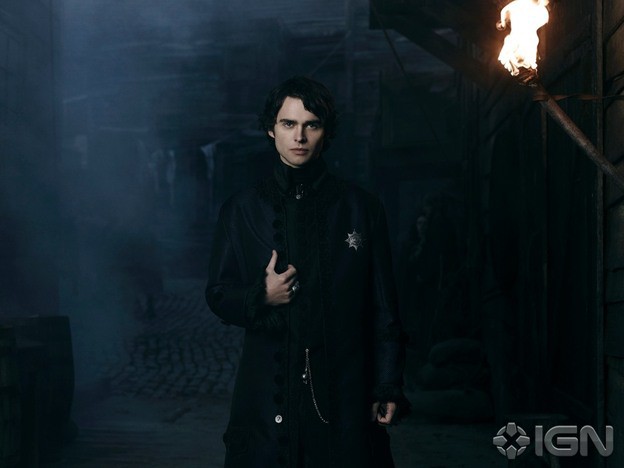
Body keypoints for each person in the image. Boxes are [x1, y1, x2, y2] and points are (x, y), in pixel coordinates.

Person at [205, 76, 407, 468]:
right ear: (272, 129)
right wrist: (261, 295)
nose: (299, 137)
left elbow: (384, 306)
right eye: (288, 124)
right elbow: (217, 293)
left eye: (311, 125)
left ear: (325, 132)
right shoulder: (242, 209)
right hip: (266, 391)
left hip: (344, 388)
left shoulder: (361, 208)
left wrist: (387, 383)